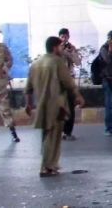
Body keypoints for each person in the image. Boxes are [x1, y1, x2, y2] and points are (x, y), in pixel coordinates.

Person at [25, 36, 84, 177]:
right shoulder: (57, 62)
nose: (62, 49)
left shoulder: (35, 64)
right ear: (54, 47)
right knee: (54, 137)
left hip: (41, 105)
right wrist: (77, 96)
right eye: (60, 46)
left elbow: (28, 88)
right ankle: (48, 166)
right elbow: (68, 82)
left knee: (46, 136)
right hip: (57, 105)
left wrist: (28, 104)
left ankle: (48, 165)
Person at [58, 28, 81, 141]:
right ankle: (60, 131)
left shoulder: (72, 48)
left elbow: (78, 62)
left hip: (70, 81)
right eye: (62, 36)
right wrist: (61, 51)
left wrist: (71, 53)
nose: (64, 39)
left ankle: (68, 131)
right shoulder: (56, 49)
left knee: (71, 106)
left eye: (66, 36)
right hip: (59, 82)